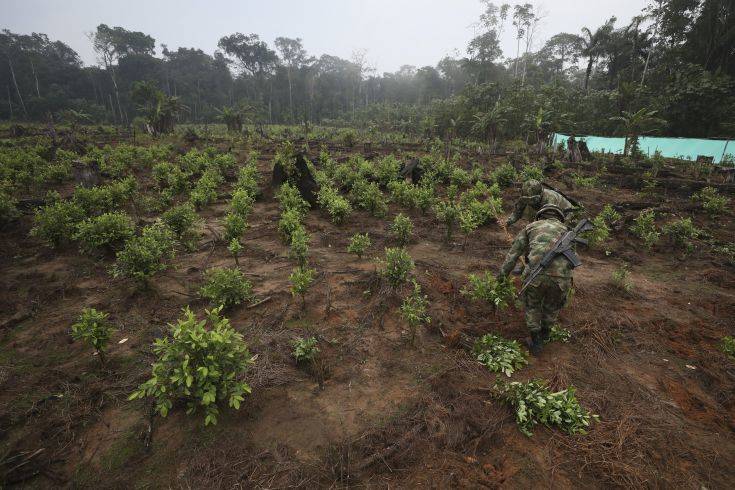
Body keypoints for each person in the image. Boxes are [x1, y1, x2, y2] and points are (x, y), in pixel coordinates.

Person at [499, 204, 574, 356]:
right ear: (559, 217)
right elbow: (573, 260)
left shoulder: (530, 227)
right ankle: (546, 333)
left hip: (535, 276)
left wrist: (501, 277)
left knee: (532, 305)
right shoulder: (568, 232)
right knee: (552, 306)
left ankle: (536, 341)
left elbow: (513, 255)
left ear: (540, 215)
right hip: (561, 278)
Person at [505, 179, 575, 227]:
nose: (530, 202)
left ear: (540, 194)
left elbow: (550, 223)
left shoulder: (550, 198)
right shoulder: (524, 198)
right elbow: (517, 212)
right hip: (543, 213)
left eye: (533, 199)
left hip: (566, 214)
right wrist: (508, 222)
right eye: (527, 200)